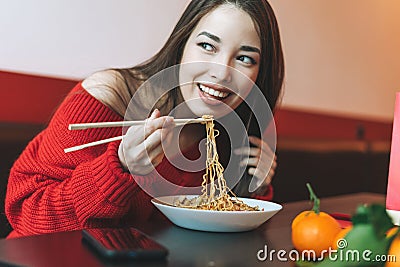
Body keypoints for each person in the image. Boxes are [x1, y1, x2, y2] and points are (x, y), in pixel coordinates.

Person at [5, 0, 285, 238]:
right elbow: (28, 218)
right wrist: (119, 168)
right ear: (182, 44)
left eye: (245, 59)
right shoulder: (108, 95)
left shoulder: (227, 137)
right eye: (208, 46)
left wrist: (252, 188)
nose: (222, 73)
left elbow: (208, 241)